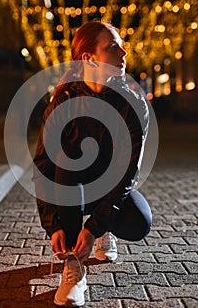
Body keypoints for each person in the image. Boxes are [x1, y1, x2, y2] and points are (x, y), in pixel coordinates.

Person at [32, 20, 152, 307]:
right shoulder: (63, 102)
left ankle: (103, 233)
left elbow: (127, 176)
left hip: (109, 186)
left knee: (139, 223)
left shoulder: (132, 104)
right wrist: (54, 226)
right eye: (113, 47)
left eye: (122, 46)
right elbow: (43, 167)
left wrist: (96, 227)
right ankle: (73, 266)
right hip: (70, 186)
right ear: (89, 58)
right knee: (67, 159)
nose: (124, 53)